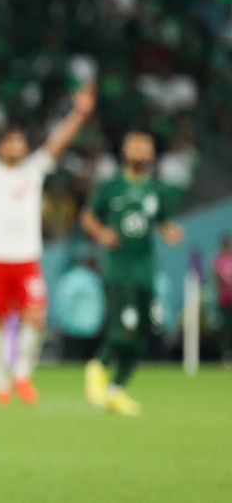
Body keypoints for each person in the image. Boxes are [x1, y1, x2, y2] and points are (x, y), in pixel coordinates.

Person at [0, 80, 94, 405]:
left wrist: (79, 113)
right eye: (10, 142)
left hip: (26, 257)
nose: (16, 146)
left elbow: (58, 142)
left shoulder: (35, 170)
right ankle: (1, 384)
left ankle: (23, 375)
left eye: (20, 142)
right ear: (1, 148)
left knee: (35, 316)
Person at [80, 132, 184, 416]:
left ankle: (116, 390)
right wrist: (102, 233)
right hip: (118, 268)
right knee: (123, 328)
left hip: (145, 269)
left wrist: (170, 232)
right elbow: (88, 216)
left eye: (145, 147)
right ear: (124, 151)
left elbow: (162, 223)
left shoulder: (158, 190)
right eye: (134, 146)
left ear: (152, 154)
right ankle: (98, 367)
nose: (140, 151)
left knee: (142, 333)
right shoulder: (110, 187)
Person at [215, 235, 232, 365]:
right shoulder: (219, 260)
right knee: (225, 329)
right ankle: (226, 355)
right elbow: (217, 277)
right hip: (224, 301)